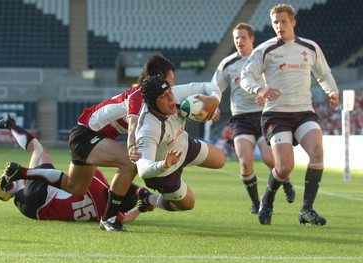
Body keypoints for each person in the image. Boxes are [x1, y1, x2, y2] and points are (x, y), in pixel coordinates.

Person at [0, 54, 220, 232]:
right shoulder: (138, 96)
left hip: (85, 132)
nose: (173, 86)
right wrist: (133, 148)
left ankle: (22, 173)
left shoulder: (158, 98)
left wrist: (210, 105)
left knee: (75, 187)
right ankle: (109, 218)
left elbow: (188, 100)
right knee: (130, 162)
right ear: (158, 79)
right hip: (86, 134)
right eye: (170, 81)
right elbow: (134, 124)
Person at [240, 4, 340, 225]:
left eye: (283, 21)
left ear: (293, 22)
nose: (279, 26)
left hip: (304, 111)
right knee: (285, 166)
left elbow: (324, 74)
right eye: (275, 22)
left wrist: (332, 92)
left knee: (317, 152)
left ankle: (307, 209)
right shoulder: (264, 50)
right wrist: (260, 89)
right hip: (276, 114)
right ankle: (267, 199)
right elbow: (246, 77)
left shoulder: (310, 47)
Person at [0, 115, 154, 223]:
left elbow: (78, 169)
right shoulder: (111, 215)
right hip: (32, 212)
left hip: (40, 195)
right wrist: (139, 208)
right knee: (29, 182)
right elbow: (128, 218)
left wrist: (139, 190)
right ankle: (11, 188)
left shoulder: (97, 183)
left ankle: (10, 124)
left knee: (38, 150)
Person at [211, 22, 295, 215]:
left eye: (242, 37)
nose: (239, 41)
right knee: (245, 162)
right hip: (240, 118)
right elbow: (214, 88)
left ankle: (286, 181)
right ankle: (256, 203)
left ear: (251, 39)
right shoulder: (228, 64)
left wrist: (265, 94)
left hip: (264, 116)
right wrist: (212, 105)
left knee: (268, 158)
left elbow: (280, 81)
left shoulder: (264, 58)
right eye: (236, 38)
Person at [134, 75, 226, 212]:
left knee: (221, 160)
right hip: (164, 171)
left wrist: (213, 99)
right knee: (188, 205)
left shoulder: (176, 94)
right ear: (152, 103)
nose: (171, 98)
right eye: (163, 96)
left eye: (169, 91)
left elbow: (208, 85)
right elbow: (143, 169)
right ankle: (147, 198)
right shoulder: (148, 129)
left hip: (184, 145)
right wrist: (164, 164)